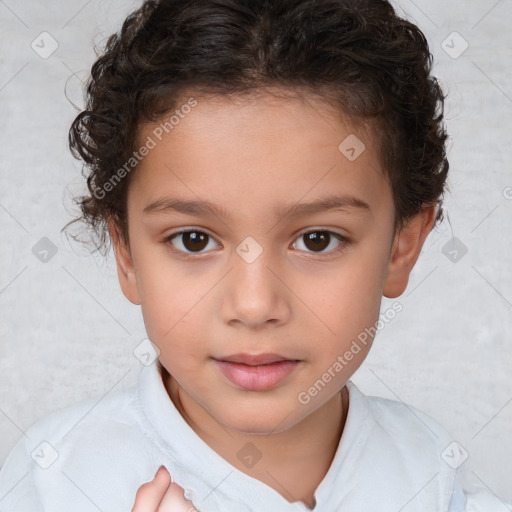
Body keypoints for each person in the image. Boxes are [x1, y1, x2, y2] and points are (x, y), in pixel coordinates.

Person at [0, 0, 508, 510]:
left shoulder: (434, 474)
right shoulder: (57, 477)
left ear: (402, 246)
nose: (254, 304)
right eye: (194, 240)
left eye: (317, 239)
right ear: (127, 254)